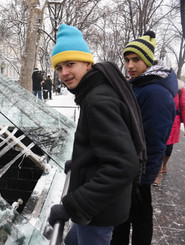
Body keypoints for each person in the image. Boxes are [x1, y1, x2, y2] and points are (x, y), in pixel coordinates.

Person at [47, 24, 146, 245]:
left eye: (70, 64)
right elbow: (103, 146)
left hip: (98, 212)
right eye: (59, 67)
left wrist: (72, 206)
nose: (64, 73)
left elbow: (123, 165)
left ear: (88, 63)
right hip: (102, 206)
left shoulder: (97, 100)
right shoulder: (96, 91)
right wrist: (80, 163)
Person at [111, 31, 177, 245]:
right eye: (127, 60)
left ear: (148, 61)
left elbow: (155, 140)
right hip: (131, 167)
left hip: (138, 171)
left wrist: (143, 177)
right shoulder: (140, 85)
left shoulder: (154, 92)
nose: (130, 65)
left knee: (139, 220)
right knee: (127, 217)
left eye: (136, 60)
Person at [154, 79, 185, 186]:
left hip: (173, 122)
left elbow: (184, 108)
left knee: (168, 148)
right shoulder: (159, 88)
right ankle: (159, 173)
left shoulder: (180, 90)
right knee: (160, 147)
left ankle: (164, 164)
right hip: (159, 120)